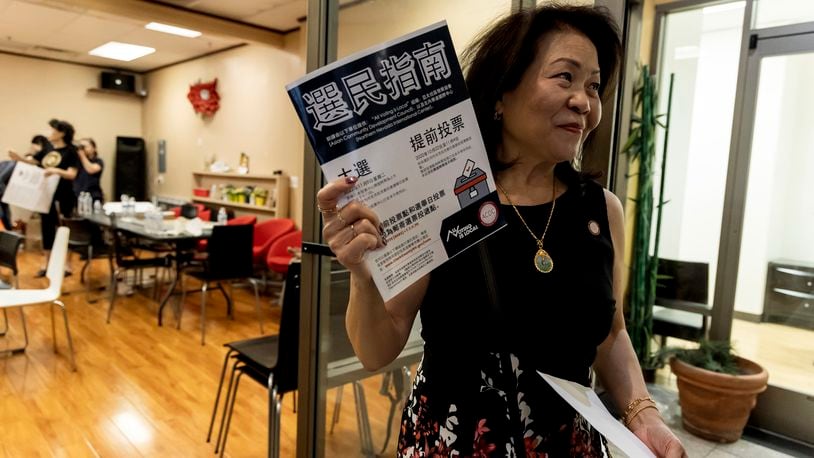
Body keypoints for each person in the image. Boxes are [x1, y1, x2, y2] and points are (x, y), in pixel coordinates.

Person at [316, 5, 687, 458]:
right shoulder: (447, 201)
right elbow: (378, 349)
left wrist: (642, 414)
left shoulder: (601, 209)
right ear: (501, 94)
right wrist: (362, 275)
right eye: (564, 77)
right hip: (458, 443)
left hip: (568, 445)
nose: (584, 102)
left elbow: (610, 334)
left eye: (593, 85)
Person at [8, 121, 79, 277]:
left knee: (65, 229)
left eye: (53, 130)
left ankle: (66, 265)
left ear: (62, 133)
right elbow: (33, 162)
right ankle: (46, 264)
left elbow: (72, 174)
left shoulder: (71, 151)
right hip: (46, 195)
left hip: (64, 195)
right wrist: (18, 158)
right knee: (47, 229)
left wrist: (55, 170)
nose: (50, 133)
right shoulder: (47, 149)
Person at [73, 137, 104, 203]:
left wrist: (82, 155)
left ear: (94, 148)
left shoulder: (98, 161)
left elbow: (91, 170)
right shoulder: (76, 161)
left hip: (93, 196)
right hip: (76, 196)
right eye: (81, 147)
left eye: (85, 146)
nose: (82, 149)